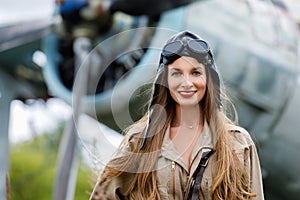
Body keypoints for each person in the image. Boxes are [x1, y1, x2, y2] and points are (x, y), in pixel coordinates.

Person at [90, 31, 264, 200]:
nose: (186, 83)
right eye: (176, 73)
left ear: (208, 79)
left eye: (195, 73)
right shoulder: (139, 141)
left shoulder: (239, 144)